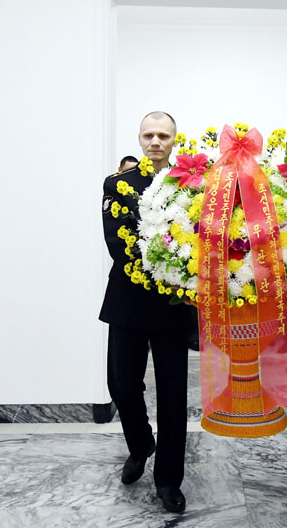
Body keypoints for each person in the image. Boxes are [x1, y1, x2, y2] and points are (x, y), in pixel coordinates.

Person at [99, 111, 192, 513]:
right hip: (129, 300)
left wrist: (181, 279)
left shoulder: (191, 185)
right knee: (122, 383)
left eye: (163, 135)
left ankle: (169, 480)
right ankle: (140, 444)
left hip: (174, 305)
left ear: (175, 140)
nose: (156, 141)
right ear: (139, 139)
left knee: (173, 396)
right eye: (149, 134)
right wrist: (161, 272)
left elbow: (198, 239)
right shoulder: (117, 184)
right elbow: (118, 244)